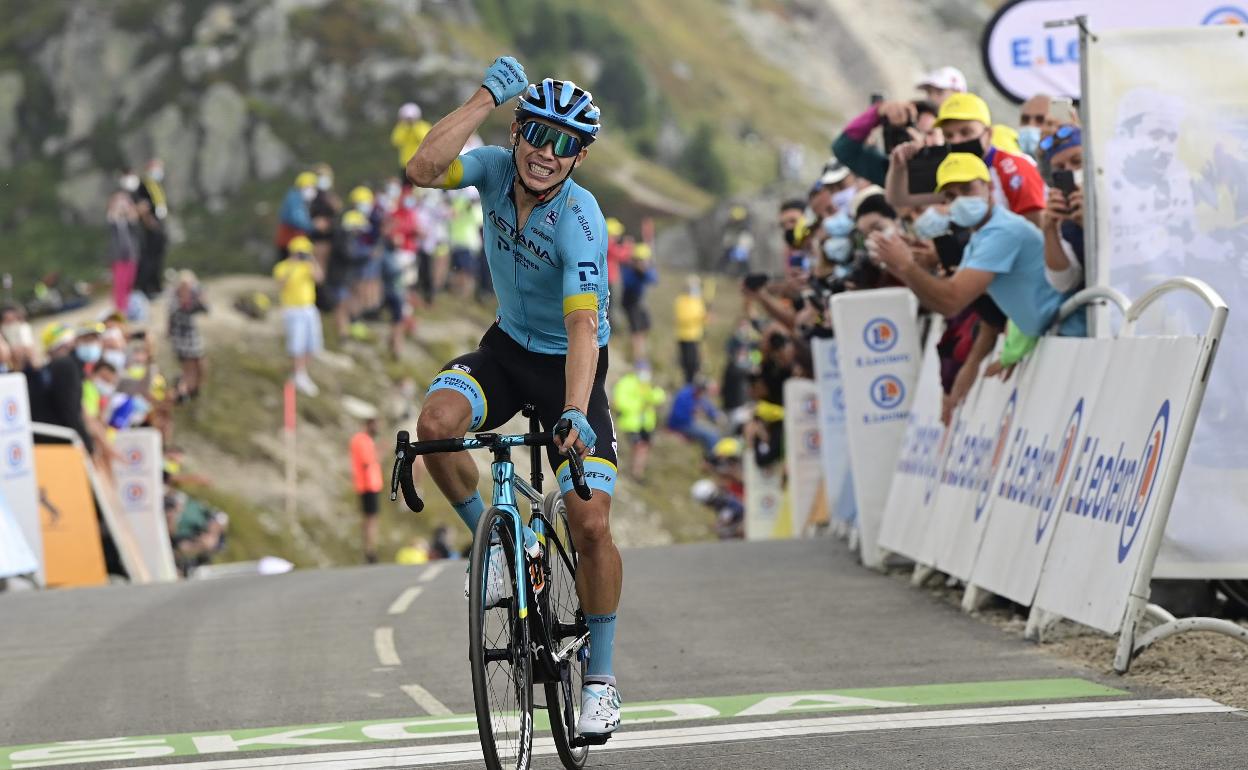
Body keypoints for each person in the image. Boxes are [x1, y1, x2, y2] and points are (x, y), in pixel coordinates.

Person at [405, 56, 623, 736]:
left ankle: (602, 681)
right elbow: (422, 170)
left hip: (570, 366)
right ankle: (500, 548)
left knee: (588, 522)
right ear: (517, 132)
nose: (545, 154)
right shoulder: (496, 169)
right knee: (436, 426)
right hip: (506, 348)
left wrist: (576, 412)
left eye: (564, 145)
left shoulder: (581, 221)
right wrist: (483, 99)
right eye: (536, 134)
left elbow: (583, 325)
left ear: (579, 157)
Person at [872, 152, 1085, 346]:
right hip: (1056, 338)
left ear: (990, 187)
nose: (960, 200)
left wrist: (906, 266)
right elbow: (944, 295)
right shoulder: (982, 236)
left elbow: (950, 301)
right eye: (951, 197)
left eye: (967, 189)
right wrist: (903, 265)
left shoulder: (1002, 233)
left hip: (1072, 336)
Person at [888, 93, 1046, 226]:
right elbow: (900, 198)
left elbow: (1036, 229)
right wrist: (898, 167)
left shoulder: (1014, 167)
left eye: (966, 132)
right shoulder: (951, 170)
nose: (957, 141)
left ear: (989, 134)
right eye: (949, 136)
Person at [272, 235, 324, 396]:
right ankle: (297, 374)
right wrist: (292, 265)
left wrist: (312, 261)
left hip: (309, 309)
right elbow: (281, 284)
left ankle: (301, 373)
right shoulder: (283, 267)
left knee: (312, 345)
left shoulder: (308, 266)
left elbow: (319, 278)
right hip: (293, 311)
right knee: (297, 345)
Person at [1039, 125, 1085, 292]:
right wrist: (1049, 230)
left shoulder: (1123, 197)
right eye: (1060, 168)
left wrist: (1090, 225)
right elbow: (1064, 283)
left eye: (1077, 161)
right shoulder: (1065, 217)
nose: (1070, 171)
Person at [612, 361, 666, 479]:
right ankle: (633, 471)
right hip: (631, 423)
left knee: (644, 447)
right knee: (638, 446)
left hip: (646, 424)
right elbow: (620, 402)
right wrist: (639, 405)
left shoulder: (647, 385)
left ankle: (638, 471)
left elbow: (659, 396)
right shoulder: (626, 383)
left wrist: (649, 396)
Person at [168, 271, 207, 402]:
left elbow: (205, 309)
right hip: (181, 338)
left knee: (200, 365)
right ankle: (183, 392)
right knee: (189, 368)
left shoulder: (193, 297)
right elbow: (176, 315)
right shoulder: (175, 300)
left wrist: (199, 298)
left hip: (192, 337)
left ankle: (193, 390)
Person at [350, 416, 384, 564]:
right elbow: (367, 462)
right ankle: (370, 551)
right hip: (368, 484)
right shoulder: (362, 440)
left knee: (370, 518)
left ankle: (369, 549)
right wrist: (381, 452)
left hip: (370, 484)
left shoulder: (364, 440)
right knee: (371, 519)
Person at [134, 158, 169, 297]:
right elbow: (142, 206)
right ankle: (145, 287)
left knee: (158, 256)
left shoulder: (156, 184)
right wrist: (149, 221)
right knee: (149, 257)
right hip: (150, 226)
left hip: (159, 223)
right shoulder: (143, 185)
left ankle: (156, 285)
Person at [107, 177, 142, 314]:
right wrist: (117, 203)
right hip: (118, 256)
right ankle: (119, 308)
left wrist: (129, 206)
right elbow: (112, 216)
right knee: (119, 283)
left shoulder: (129, 220)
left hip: (131, 254)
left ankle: (126, 306)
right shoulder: (113, 220)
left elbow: (134, 218)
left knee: (129, 282)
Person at [619, 242, 657, 363]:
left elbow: (654, 280)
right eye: (640, 260)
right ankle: (638, 358)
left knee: (646, 327)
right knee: (636, 331)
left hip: (639, 303)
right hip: (630, 303)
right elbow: (628, 283)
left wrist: (646, 271)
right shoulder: (629, 270)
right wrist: (639, 272)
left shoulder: (645, 271)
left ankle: (642, 353)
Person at [666, 377, 720, 453]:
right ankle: (712, 458)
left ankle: (711, 455)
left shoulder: (698, 395)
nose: (703, 393)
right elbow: (677, 415)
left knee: (714, 431)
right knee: (710, 435)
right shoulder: (685, 395)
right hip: (680, 424)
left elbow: (707, 406)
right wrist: (692, 412)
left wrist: (716, 415)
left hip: (689, 422)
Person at [674, 275, 707, 384]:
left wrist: (706, 318)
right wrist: (699, 318)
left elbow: (702, 317)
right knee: (687, 363)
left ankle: (696, 383)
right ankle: (687, 383)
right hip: (685, 336)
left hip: (697, 336)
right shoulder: (681, 300)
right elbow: (682, 318)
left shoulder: (698, 300)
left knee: (697, 363)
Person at [276, 172, 317, 262]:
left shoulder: (304, 200)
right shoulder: (294, 198)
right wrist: (314, 226)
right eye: (308, 186)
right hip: (289, 240)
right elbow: (297, 219)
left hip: (296, 240)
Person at [391, 102, 433, 177]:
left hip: (422, 162)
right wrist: (406, 129)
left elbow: (424, 139)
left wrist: (414, 127)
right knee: (407, 186)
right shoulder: (401, 128)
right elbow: (396, 141)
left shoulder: (423, 126)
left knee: (422, 186)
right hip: (406, 163)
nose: (409, 120)